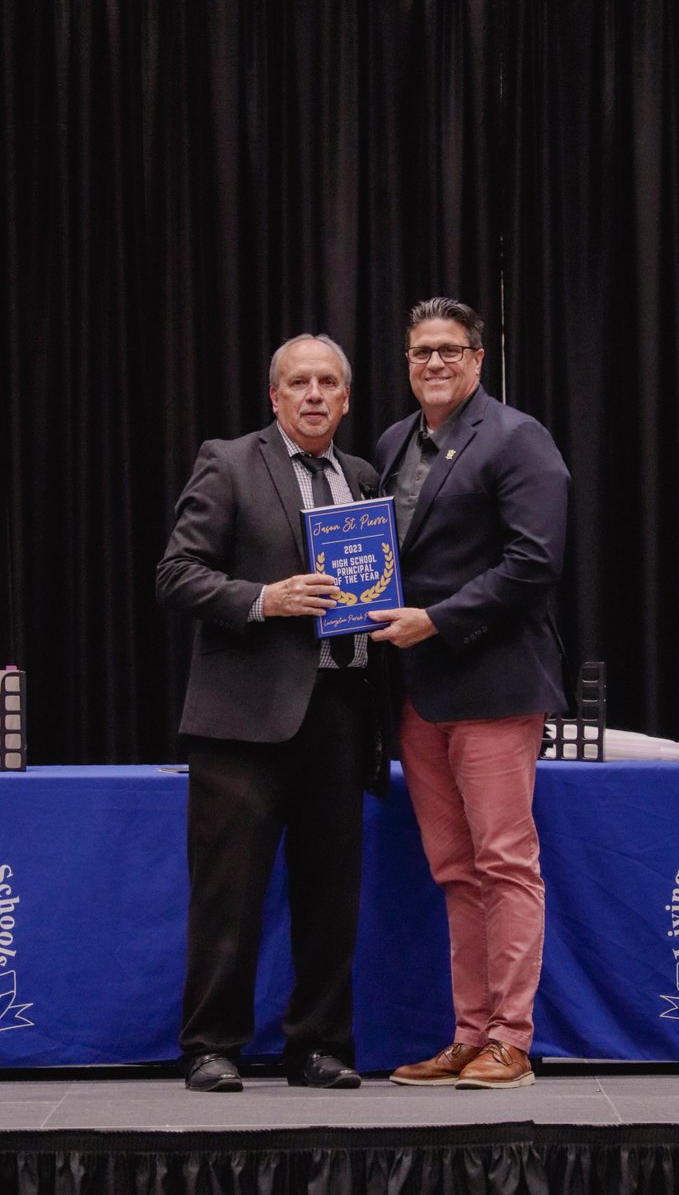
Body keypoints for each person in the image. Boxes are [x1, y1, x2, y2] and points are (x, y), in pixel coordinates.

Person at [156, 333, 383, 1092]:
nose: (314, 394)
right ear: (275, 397)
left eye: (328, 382)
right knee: (229, 895)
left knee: (329, 898)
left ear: (345, 399)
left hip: (340, 714)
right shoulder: (228, 462)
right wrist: (264, 599)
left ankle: (318, 1046)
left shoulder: (362, 477)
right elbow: (177, 574)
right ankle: (211, 1046)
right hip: (242, 723)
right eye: (299, 383)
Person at [368, 297, 570, 1090]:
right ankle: (469, 1034)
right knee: (455, 870)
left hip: (493, 682)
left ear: (479, 360)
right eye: (422, 353)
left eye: (450, 351)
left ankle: (510, 1040)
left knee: (505, 864)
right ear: (407, 363)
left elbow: (533, 564)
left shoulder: (519, 439)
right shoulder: (392, 443)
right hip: (417, 693)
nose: (435, 365)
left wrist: (438, 622)